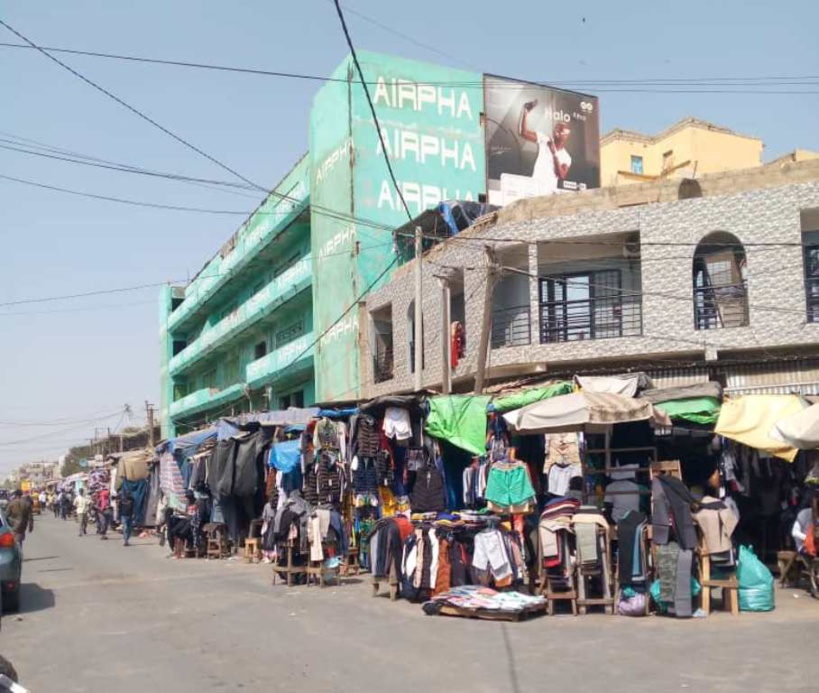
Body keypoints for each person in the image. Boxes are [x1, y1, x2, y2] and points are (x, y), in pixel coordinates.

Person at [519, 99, 572, 196]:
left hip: (549, 193)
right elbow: (524, 133)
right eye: (555, 128)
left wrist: (554, 153)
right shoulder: (545, 139)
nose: (555, 131)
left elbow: (561, 175)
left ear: (566, 136)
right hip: (534, 188)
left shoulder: (566, 157)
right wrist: (525, 113)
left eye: (559, 130)